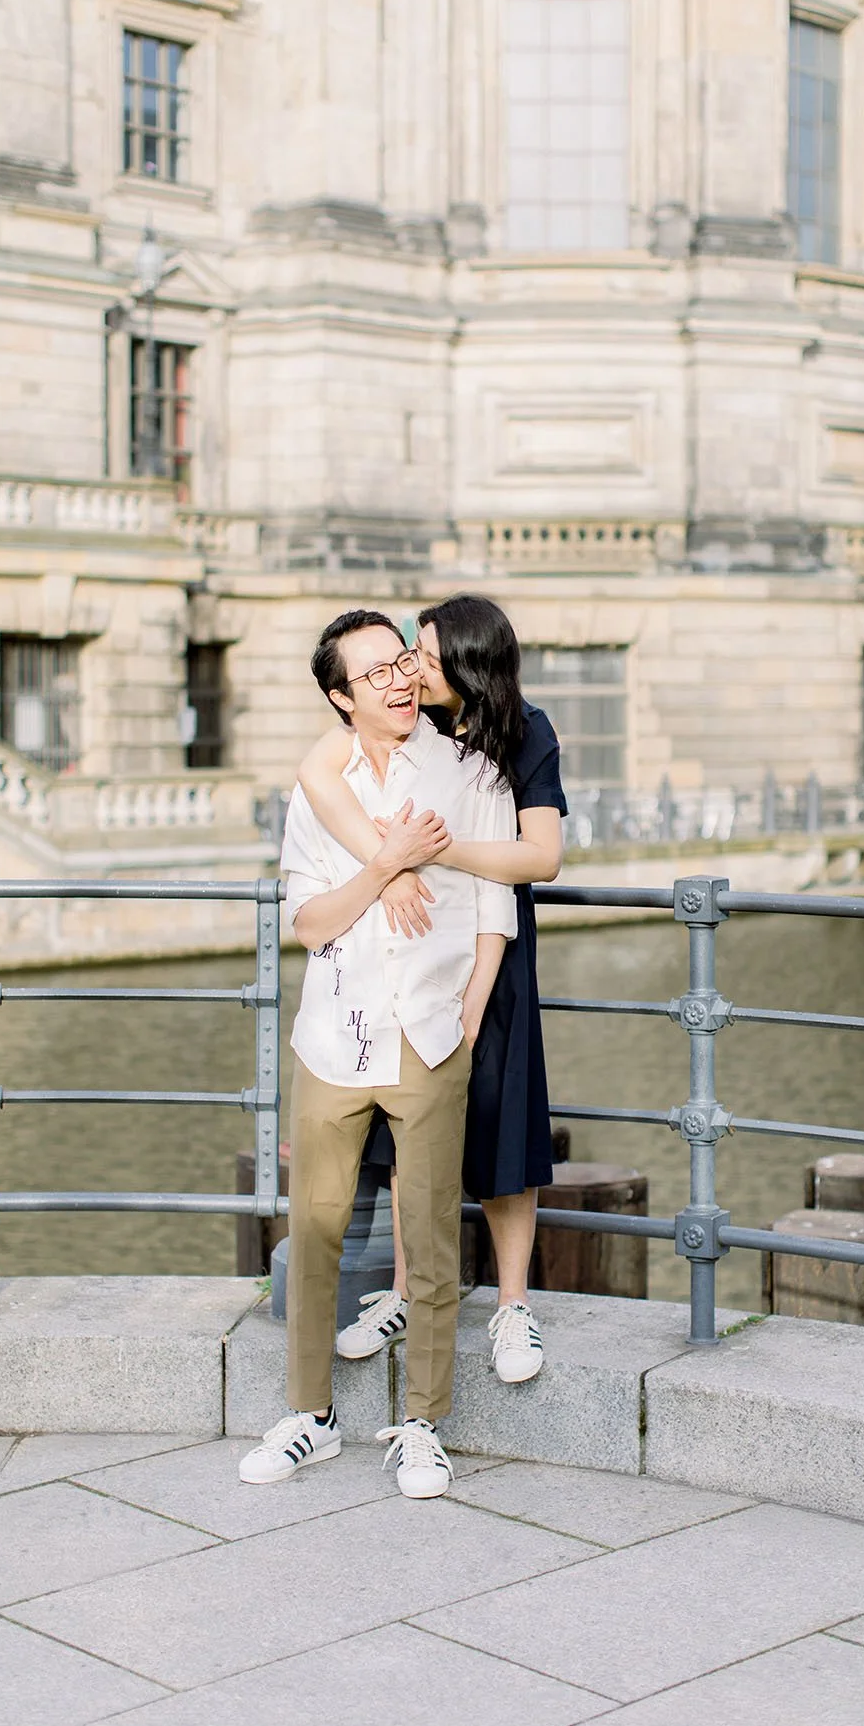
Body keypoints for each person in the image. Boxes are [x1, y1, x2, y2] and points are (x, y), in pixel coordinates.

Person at [238, 608, 517, 1499]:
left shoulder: (470, 768)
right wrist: (385, 866)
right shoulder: (322, 787)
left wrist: (468, 1020)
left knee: (432, 1238)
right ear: (339, 698)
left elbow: (494, 908)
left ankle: (424, 1424)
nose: (399, 680)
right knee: (316, 1231)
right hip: (334, 1037)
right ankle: (309, 1417)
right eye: (374, 674)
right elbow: (310, 923)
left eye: (402, 661)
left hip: (432, 1034)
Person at [297, 592, 567, 1385]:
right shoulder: (403, 717)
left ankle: (513, 1301)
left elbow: (540, 856)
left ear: (467, 670)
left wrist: (435, 855)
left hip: (493, 952)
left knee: (500, 1128)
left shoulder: (524, 731)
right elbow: (317, 771)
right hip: (407, 958)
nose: (409, 669)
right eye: (405, 654)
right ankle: (409, 1290)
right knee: (411, 1135)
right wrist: (389, 866)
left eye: (425, 657)